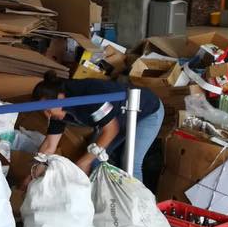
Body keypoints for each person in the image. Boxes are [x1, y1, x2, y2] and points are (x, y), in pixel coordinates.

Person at [30, 72, 164, 184]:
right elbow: (49, 145)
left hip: (147, 111)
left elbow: (111, 130)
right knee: (95, 163)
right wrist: (32, 175)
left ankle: (140, 208)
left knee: (130, 163)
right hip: (117, 119)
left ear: (59, 97)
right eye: (44, 112)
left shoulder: (89, 95)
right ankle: (101, 204)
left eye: (48, 110)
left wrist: (83, 162)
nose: (48, 115)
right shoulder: (58, 110)